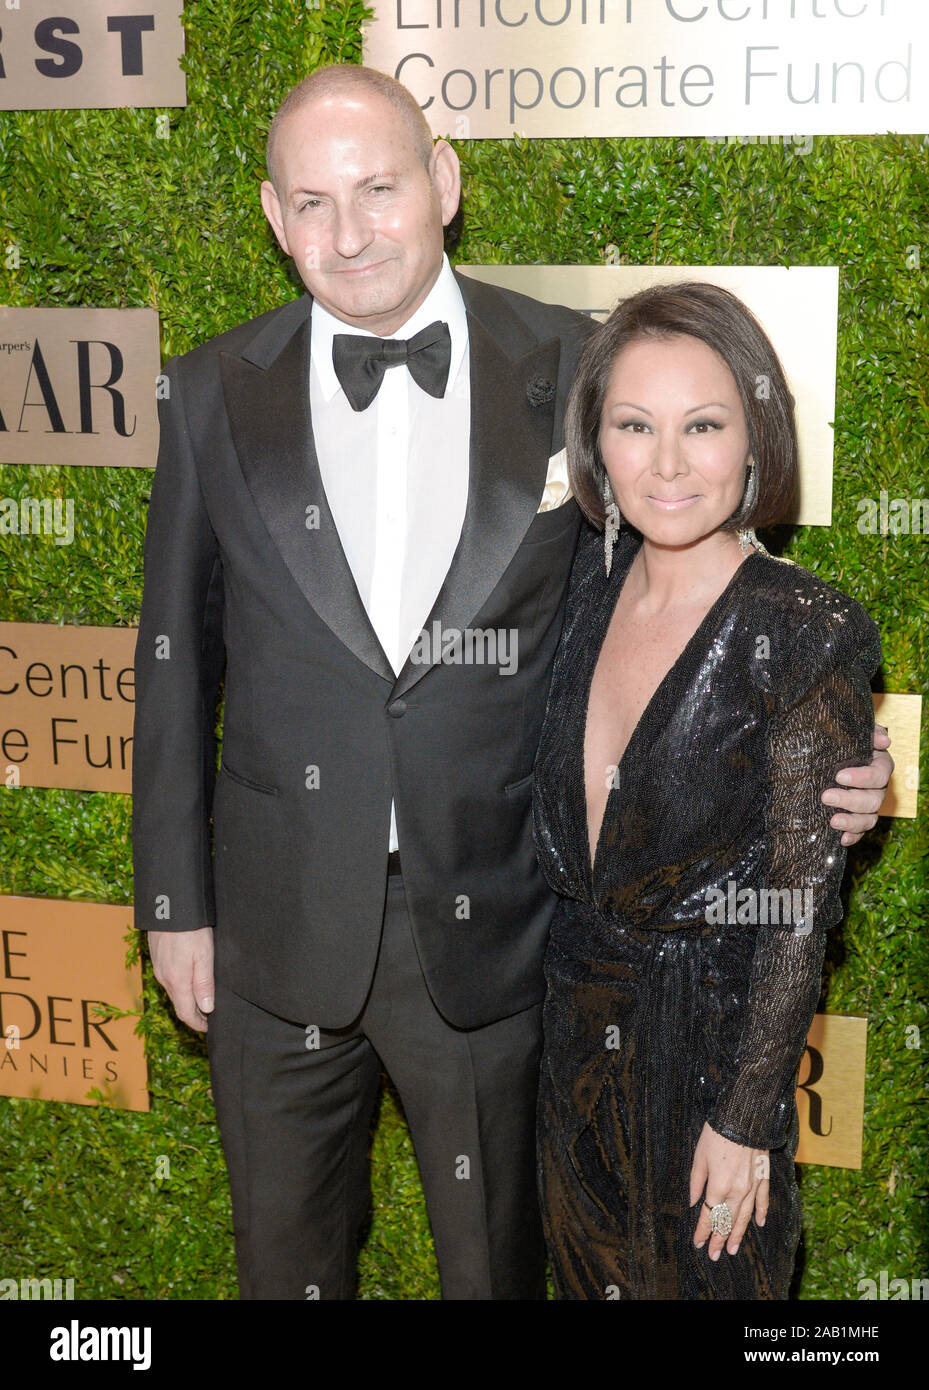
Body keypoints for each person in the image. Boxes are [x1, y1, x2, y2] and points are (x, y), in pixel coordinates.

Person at [131, 65, 891, 1300]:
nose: (349, 230)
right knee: (281, 1264)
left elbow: (699, 587)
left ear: (442, 182)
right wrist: (172, 904)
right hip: (272, 934)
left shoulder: (578, 367)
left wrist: (826, 760)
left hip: (497, 933)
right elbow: (170, 659)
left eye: (378, 187)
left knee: (495, 1270)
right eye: (313, 202)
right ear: (274, 218)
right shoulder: (212, 388)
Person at [532, 280, 883, 1300]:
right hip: (569, 1052)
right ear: (596, 443)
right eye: (634, 425)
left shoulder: (803, 625)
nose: (669, 462)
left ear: (752, 439)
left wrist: (745, 1116)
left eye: (703, 424)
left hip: (708, 1057)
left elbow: (794, 908)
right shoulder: (576, 590)